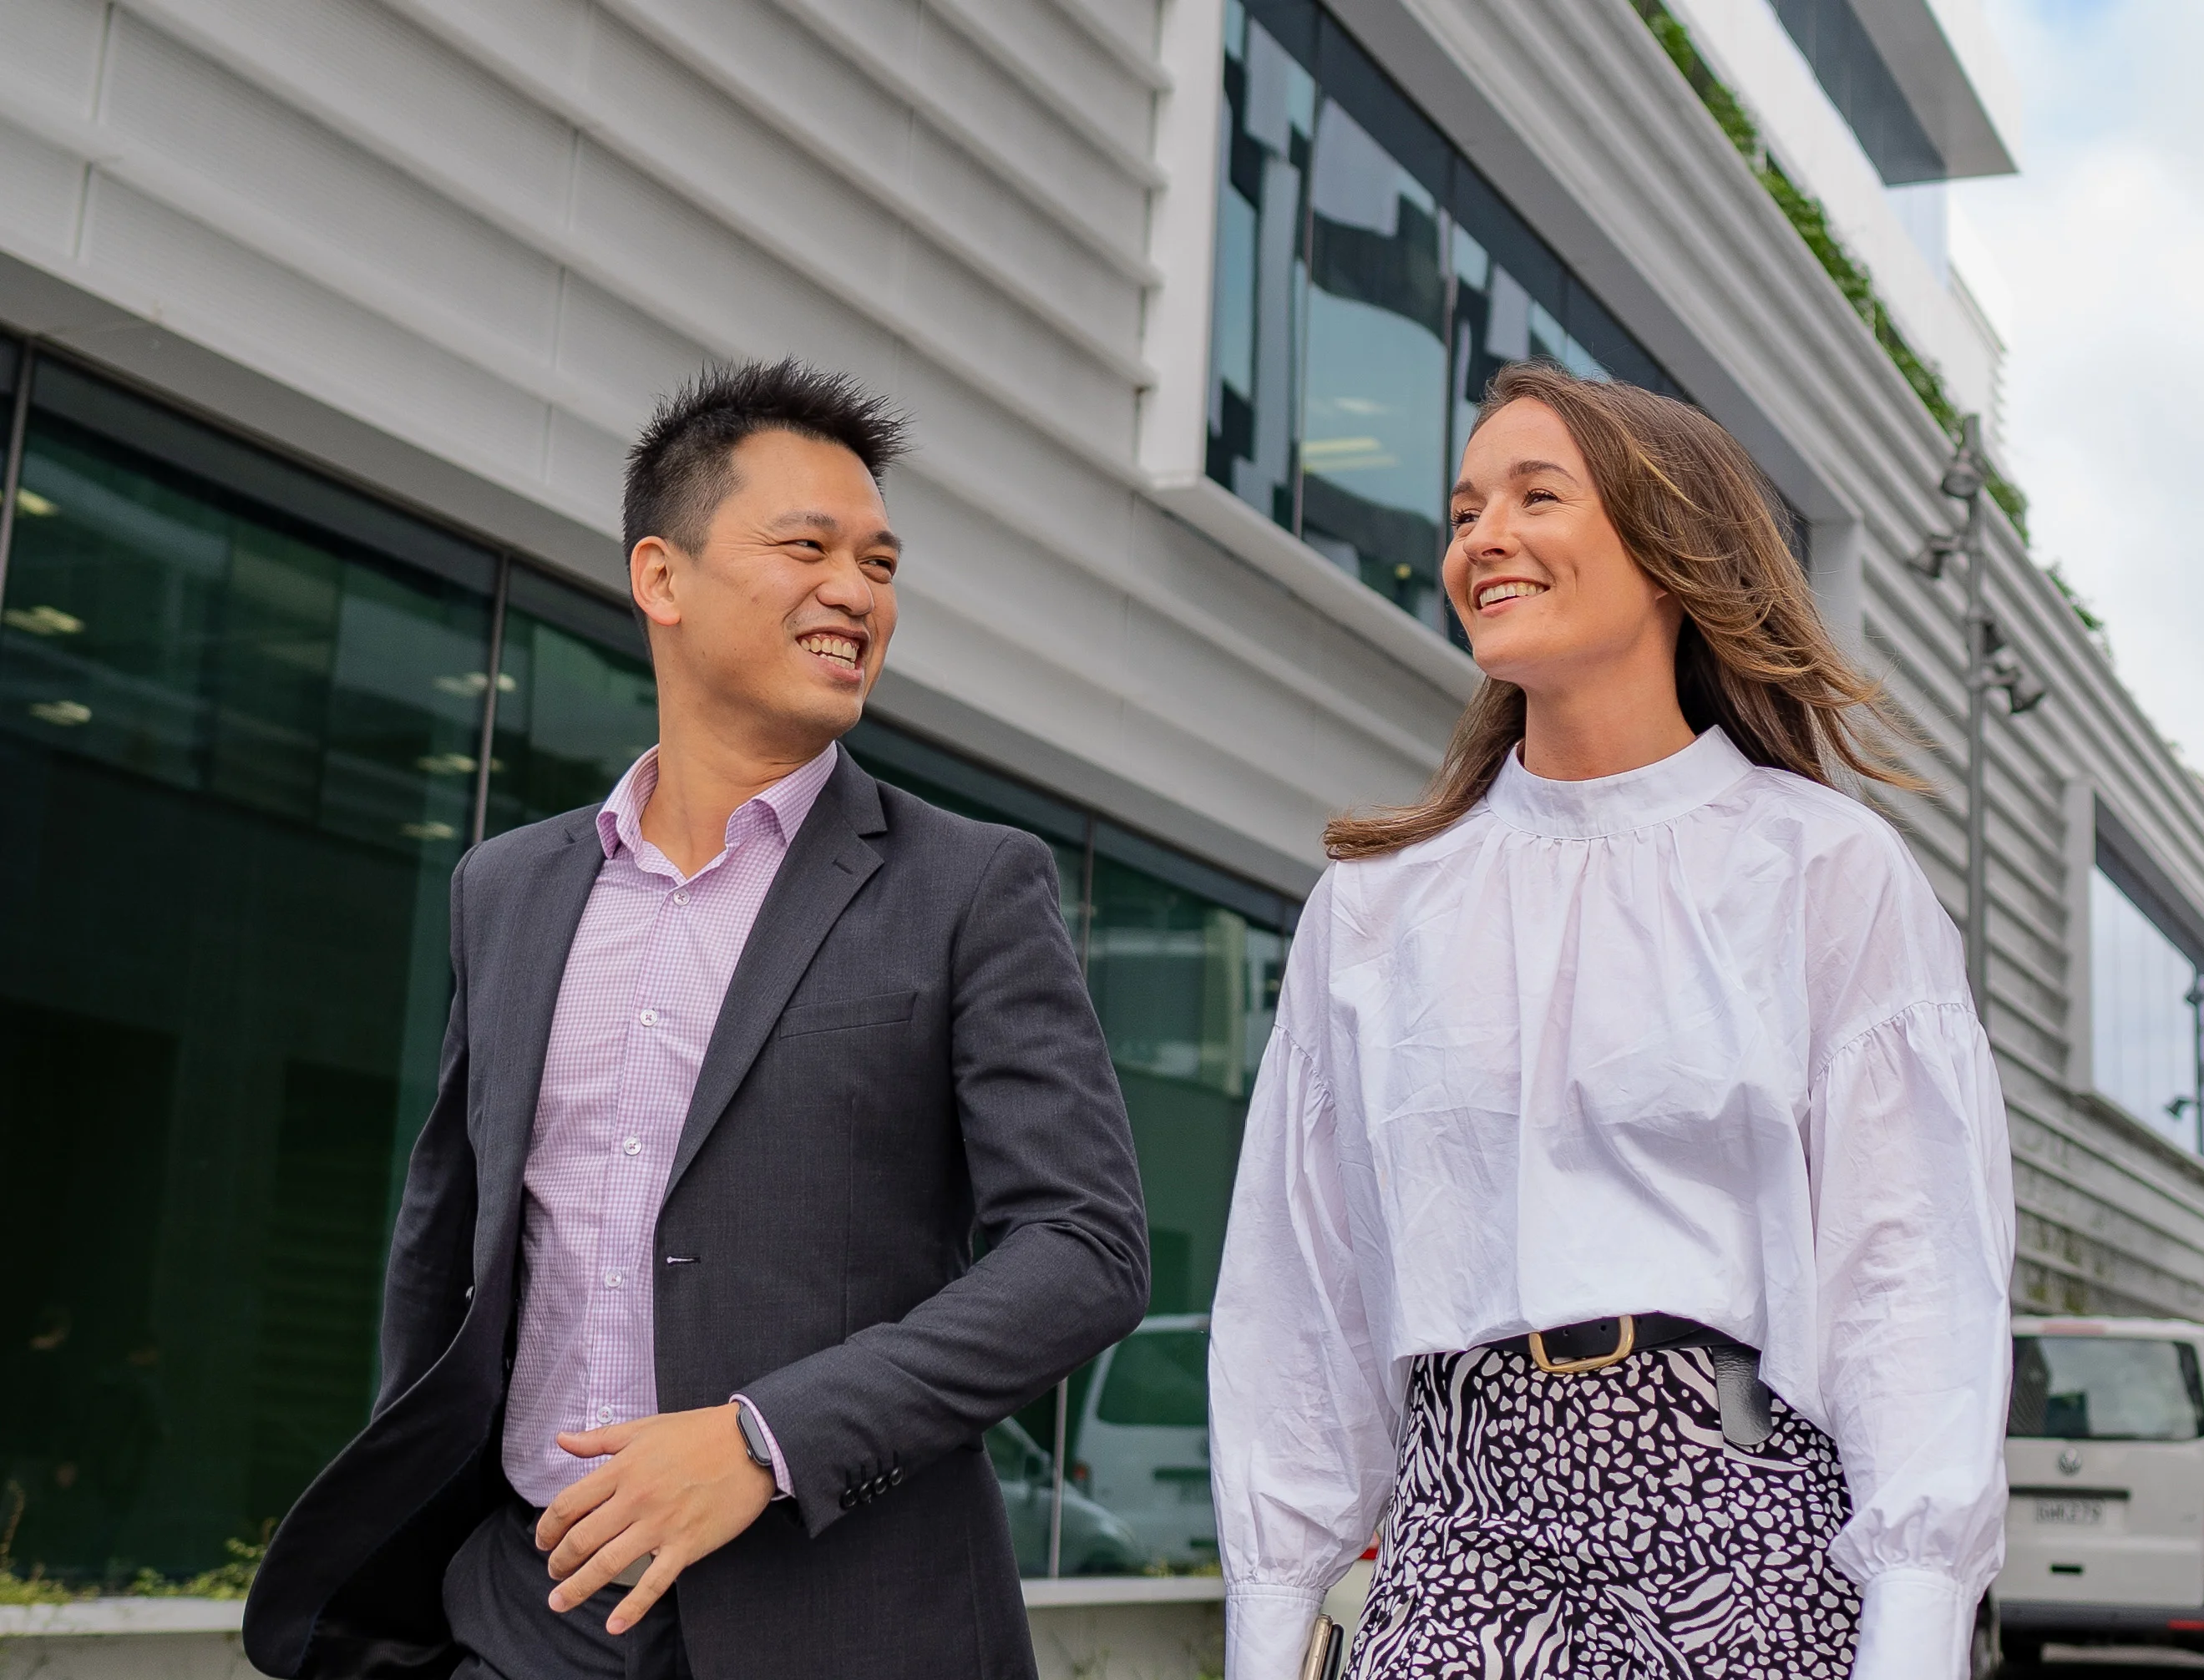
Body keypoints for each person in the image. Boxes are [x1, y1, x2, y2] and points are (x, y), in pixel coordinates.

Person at [242, 362, 1150, 1679]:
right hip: (528, 1612)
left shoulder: (969, 887)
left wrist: (761, 1438)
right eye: (808, 546)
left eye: (881, 562)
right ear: (661, 579)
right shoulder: (505, 892)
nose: (856, 591)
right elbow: (446, 1248)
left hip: (847, 1620)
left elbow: (1085, 1247)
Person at [1206, 361, 2016, 1680]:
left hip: (1742, 1526)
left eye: (1537, 495)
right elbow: (1302, 1297)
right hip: (1458, 1536)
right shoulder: (1373, 909)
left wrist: (1915, 1629)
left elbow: (1910, 1279)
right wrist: (1270, 1631)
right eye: (1466, 510)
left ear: (1666, 549)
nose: (1484, 539)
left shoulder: (1821, 870)